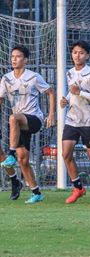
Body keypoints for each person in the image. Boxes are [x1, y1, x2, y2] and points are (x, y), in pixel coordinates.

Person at [0, 45, 55, 204]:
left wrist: (51, 114)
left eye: (18, 56)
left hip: (34, 119)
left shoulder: (33, 76)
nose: (14, 59)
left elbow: (50, 92)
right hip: (19, 125)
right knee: (23, 160)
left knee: (13, 118)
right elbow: (1, 98)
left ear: (25, 60)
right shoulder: (6, 78)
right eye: (12, 57)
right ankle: (36, 192)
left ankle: (10, 155)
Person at [60, 41, 90, 204]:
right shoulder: (70, 72)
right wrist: (65, 99)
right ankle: (78, 188)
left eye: (81, 53)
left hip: (89, 121)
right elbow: (71, 92)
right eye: (74, 52)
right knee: (66, 154)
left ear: (87, 56)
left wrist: (81, 92)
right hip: (72, 120)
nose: (77, 55)